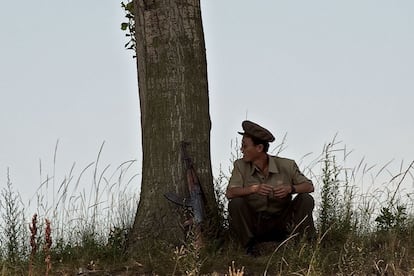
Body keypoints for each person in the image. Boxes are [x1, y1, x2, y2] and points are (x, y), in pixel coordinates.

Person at [226, 120, 316, 255]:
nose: (241, 150)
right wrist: (253, 189)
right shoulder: (240, 165)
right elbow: (230, 193)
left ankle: (304, 246)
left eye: (245, 146)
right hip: (255, 224)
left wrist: (290, 189)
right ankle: (248, 247)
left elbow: (309, 186)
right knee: (236, 203)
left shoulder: (287, 165)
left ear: (259, 148)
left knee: (306, 199)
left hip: (282, 222)